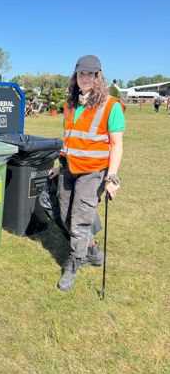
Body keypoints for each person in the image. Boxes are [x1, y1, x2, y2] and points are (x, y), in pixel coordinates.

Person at [50, 55, 125, 292]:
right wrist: (59, 165)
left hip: (93, 173)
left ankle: (74, 263)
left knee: (80, 221)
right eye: (81, 74)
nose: (85, 78)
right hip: (69, 168)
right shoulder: (71, 104)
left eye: (90, 74)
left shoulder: (111, 105)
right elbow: (70, 139)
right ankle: (91, 250)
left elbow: (116, 144)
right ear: (76, 76)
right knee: (64, 216)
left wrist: (111, 177)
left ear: (97, 76)